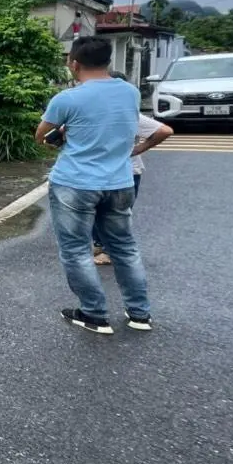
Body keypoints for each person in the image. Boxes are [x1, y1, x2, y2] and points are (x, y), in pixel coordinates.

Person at [36, 36, 151, 334]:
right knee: (124, 248)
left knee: (76, 250)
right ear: (108, 61)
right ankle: (139, 314)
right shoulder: (130, 93)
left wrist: (63, 132)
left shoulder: (67, 98)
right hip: (120, 181)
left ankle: (94, 314)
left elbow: (42, 136)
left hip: (75, 183)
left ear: (73, 63)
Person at [93, 71, 173, 265]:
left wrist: (139, 149)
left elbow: (164, 130)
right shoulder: (99, 112)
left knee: (115, 215)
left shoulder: (129, 115)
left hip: (124, 173)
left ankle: (112, 251)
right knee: (98, 212)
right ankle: (100, 244)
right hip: (100, 172)